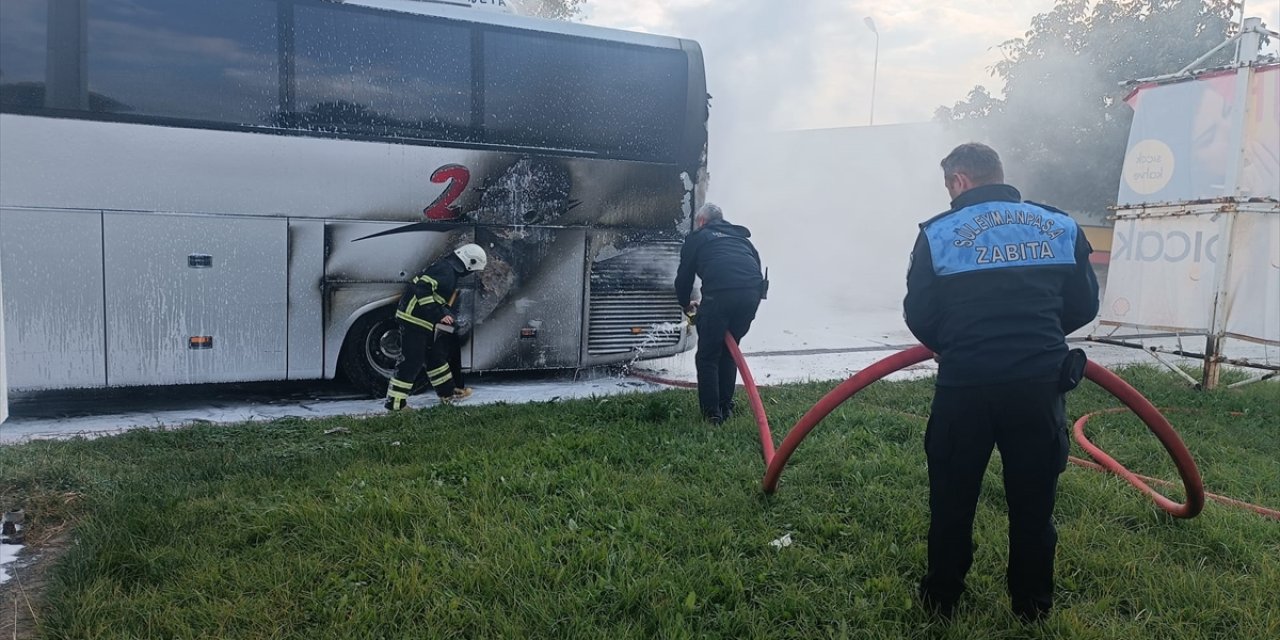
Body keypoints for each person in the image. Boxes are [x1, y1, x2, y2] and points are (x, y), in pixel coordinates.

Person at [903, 143, 1099, 622]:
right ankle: (1032, 607)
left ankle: (942, 599)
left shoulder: (939, 233)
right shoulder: (1060, 227)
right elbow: (1085, 305)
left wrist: (957, 344)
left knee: (952, 498)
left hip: (965, 387)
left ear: (960, 181)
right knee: (1034, 504)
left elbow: (920, 314)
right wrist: (1039, 337)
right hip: (1038, 386)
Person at [674, 203, 765, 424]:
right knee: (728, 351)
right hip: (751, 296)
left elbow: (684, 276)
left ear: (702, 221)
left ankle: (712, 414)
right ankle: (726, 406)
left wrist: (685, 303)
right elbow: (755, 268)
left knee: (708, 355)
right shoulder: (742, 239)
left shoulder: (699, 237)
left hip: (720, 296)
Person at [384, 243, 487, 411]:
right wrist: (438, 315)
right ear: (470, 262)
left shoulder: (447, 270)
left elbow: (436, 298)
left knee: (435, 357)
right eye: (473, 269)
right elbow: (422, 289)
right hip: (413, 319)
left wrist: (446, 316)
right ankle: (395, 405)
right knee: (412, 361)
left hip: (422, 320)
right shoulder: (446, 271)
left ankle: (447, 393)